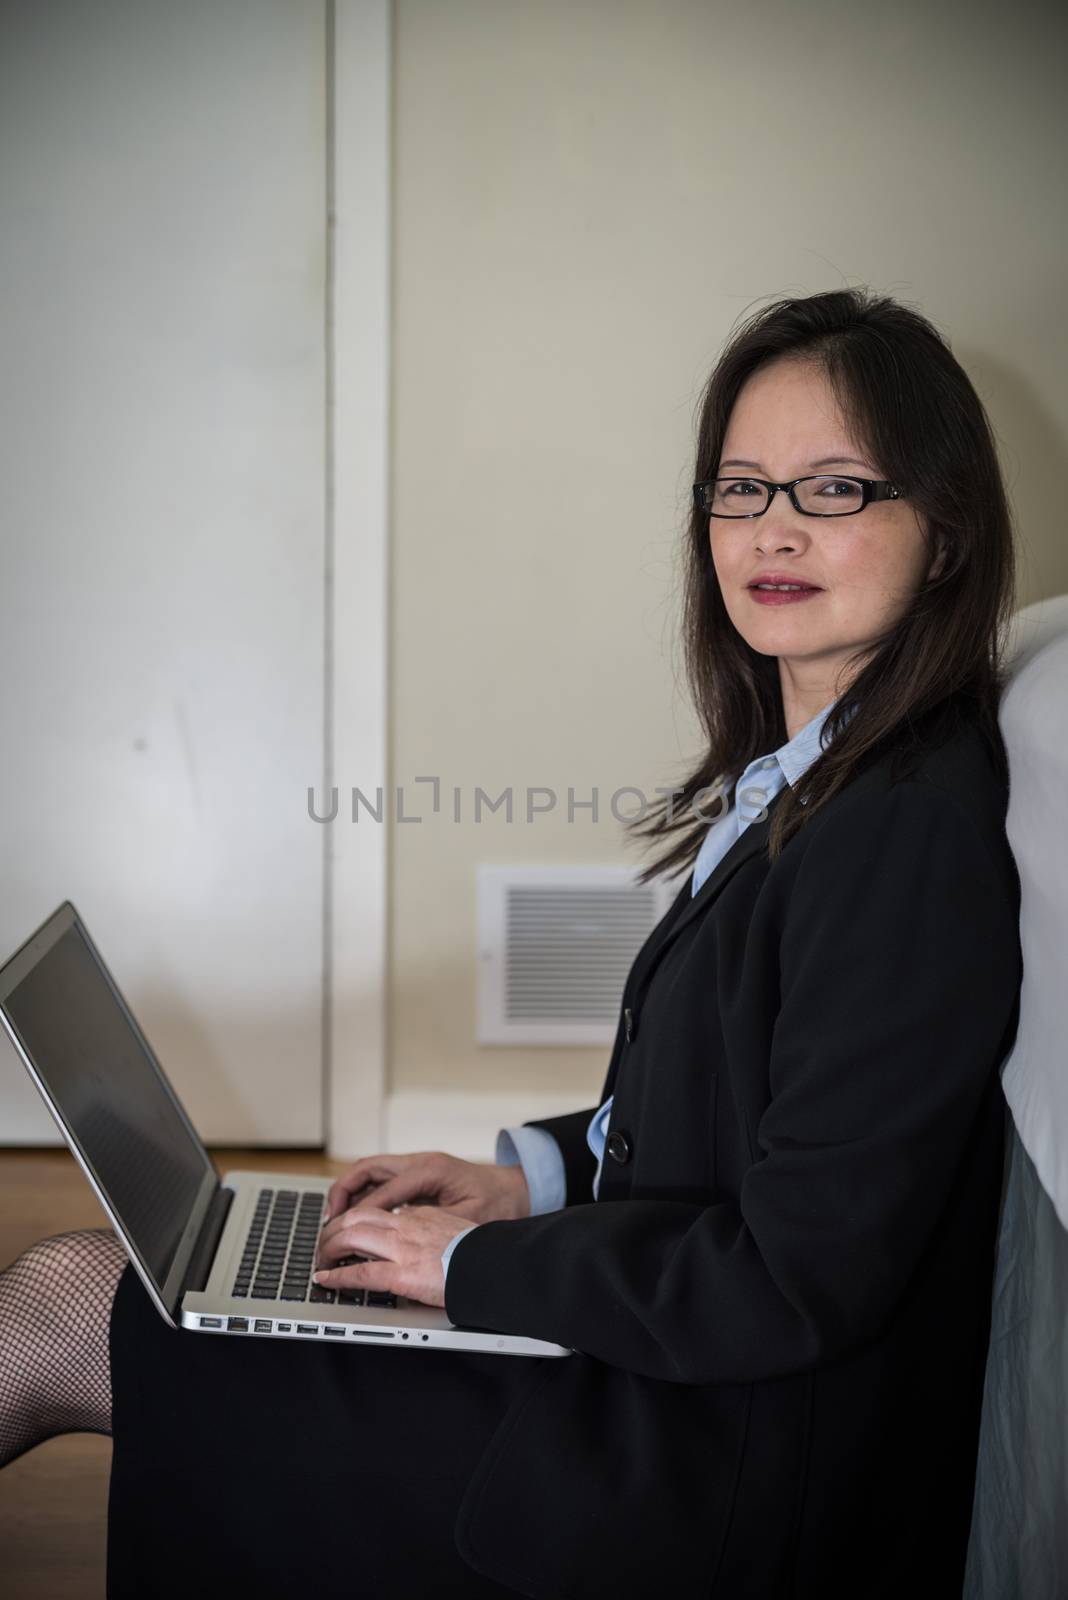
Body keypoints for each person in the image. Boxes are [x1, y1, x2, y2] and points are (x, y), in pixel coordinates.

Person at [0, 286, 1023, 1599]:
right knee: (96, 1292)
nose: (773, 527)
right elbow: (742, 1133)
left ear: (943, 533)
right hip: (673, 1388)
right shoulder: (816, 776)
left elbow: (797, 1275)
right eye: (740, 487)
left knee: (69, 1308)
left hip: (707, 1474)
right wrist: (524, 1186)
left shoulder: (904, 836)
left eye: (834, 489)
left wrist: (480, 1267)